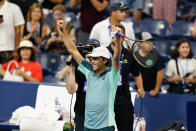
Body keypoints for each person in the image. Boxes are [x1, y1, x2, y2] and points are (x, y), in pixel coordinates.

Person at [57, 20, 122, 130]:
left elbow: (116, 57)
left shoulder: (112, 74)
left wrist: (118, 40)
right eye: (92, 58)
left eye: (96, 58)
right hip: (88, 126)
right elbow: (73, 50)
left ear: (105, 60)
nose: (92, 61)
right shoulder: (89, 70)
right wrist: (64, 31)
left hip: (105, 127)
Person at [107, 23, 145, 131]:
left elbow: (137, 73)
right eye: (115, 33)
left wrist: (140, 87)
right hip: (106, 99)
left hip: (124, 99)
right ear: (111, 34)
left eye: (120, 34)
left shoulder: (129, 54)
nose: (117, 36)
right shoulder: (103, 52)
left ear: (123, 37)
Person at [60, 39, 100, 131]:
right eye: (88, 49)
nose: (91, 52)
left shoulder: (104, 67)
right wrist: (72, 66)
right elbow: (71, 89)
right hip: (81, 110)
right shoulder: (79, 68)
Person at [137, 32, 164, 96]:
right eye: (146, 42)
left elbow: (160, 72)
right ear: (140, 43)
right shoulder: (135, 56)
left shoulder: (156, 55)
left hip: (153, 91)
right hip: (139, 90)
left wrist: (156, 89)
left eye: (151, 42)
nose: (149, 44)